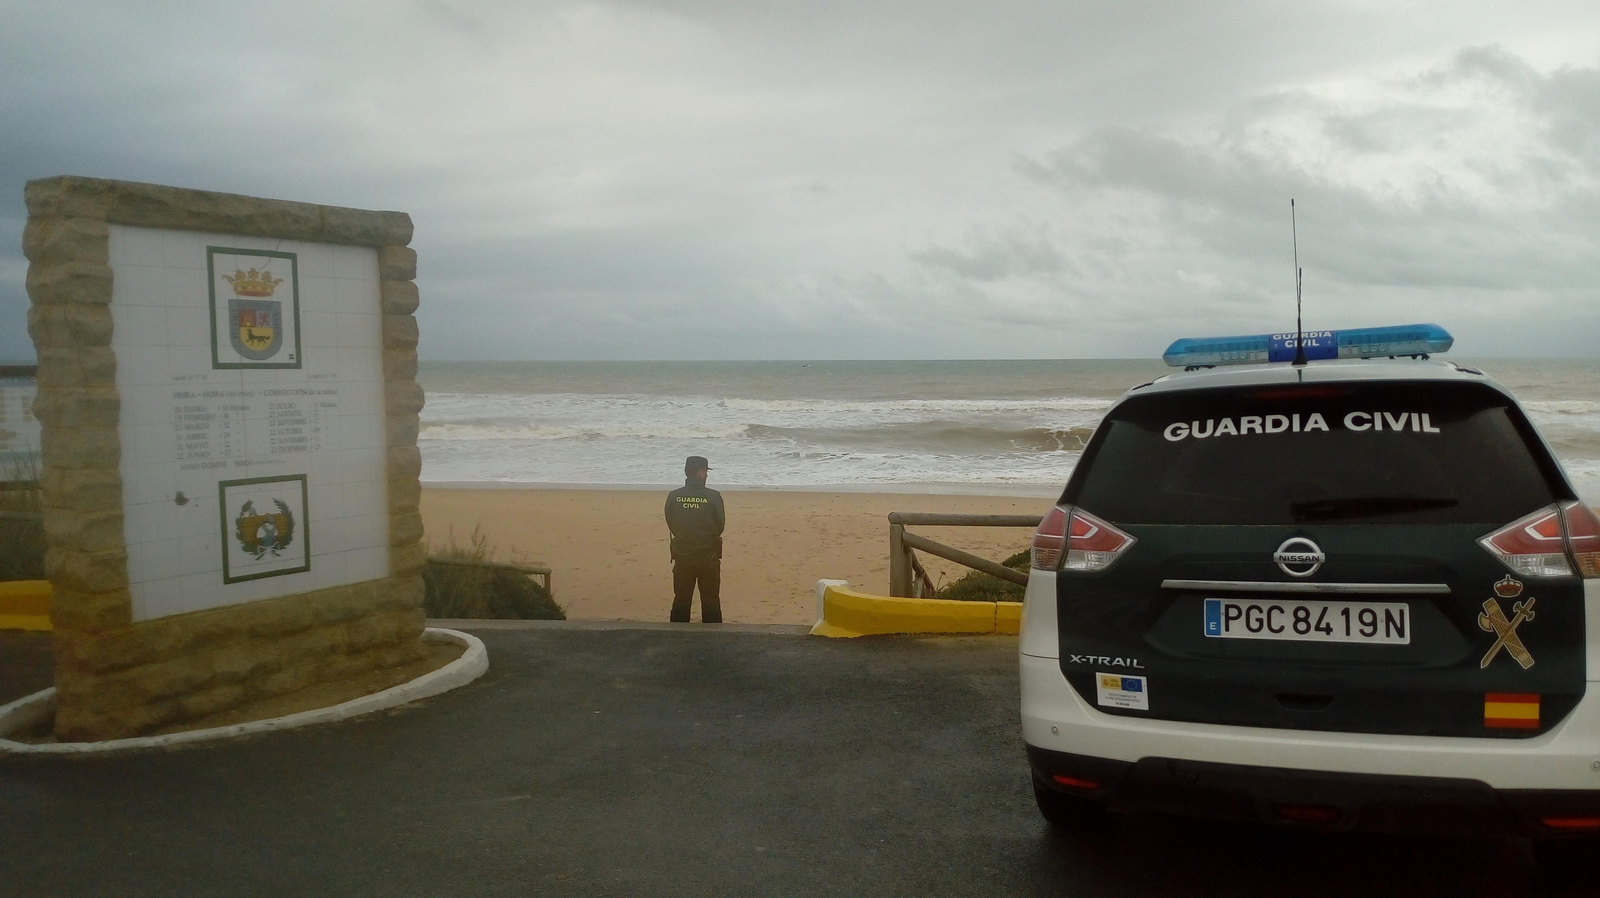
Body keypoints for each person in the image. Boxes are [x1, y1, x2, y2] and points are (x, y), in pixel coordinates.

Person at [665, 455, 725, 623]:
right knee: (711, 600)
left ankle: (677, 635)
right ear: (699, 472)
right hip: (708, 557)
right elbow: (720, 525)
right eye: (705, 471)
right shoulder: (713, 496)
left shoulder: (674, 496)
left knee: (681, 600)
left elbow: (671, 523)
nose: (706, 475)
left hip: (683, 556)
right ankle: (713, 636)